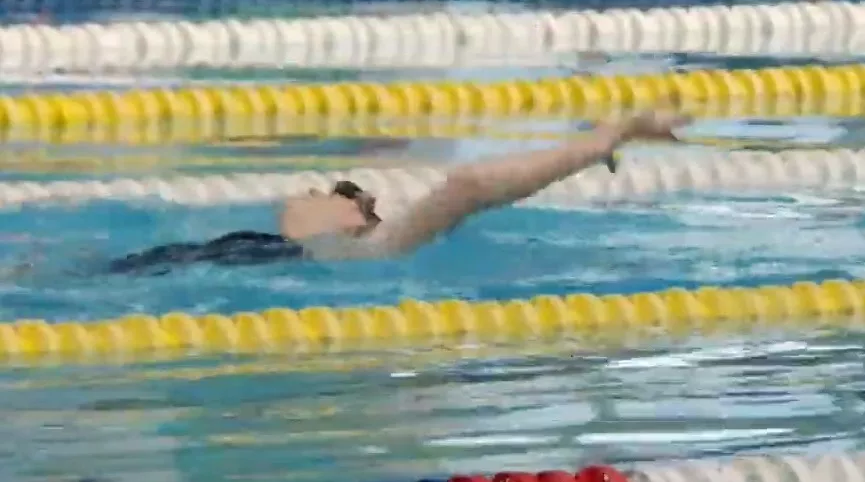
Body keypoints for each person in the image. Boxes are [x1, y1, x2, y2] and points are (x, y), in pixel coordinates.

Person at [103, 109, 691, 276]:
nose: (314, 186)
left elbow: (469, 185)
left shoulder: (361, 252)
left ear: (357, 217)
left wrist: (602, 139)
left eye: (342, 188)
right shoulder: (246, 249)